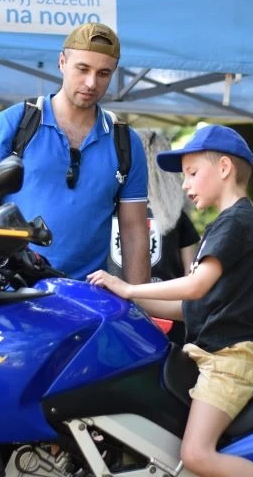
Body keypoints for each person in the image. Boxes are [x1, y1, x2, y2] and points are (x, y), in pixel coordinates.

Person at [88, 125, 253, 477]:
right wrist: (127, 303)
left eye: (191, 174)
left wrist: (129, 288)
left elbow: (195, 286)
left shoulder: (236, 222)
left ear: (223, 168)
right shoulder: (226, 224)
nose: (184, 184)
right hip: (211, 354)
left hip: (230, 358)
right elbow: (191, 308)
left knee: (196, 455)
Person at [0, 22, 149, 284]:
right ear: (62, 62)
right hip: (12, 290)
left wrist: (139, 303)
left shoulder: (125, 141)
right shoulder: (16, 122)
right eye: (82, 68)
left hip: (87, 298)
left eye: (103, 73)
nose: (91, 82)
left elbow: (134, 232)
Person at [107, 129, 200, 344]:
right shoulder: (178, 217)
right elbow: (191, 275)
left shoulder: (109, 210)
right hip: (168, 320)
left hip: (115, 313)